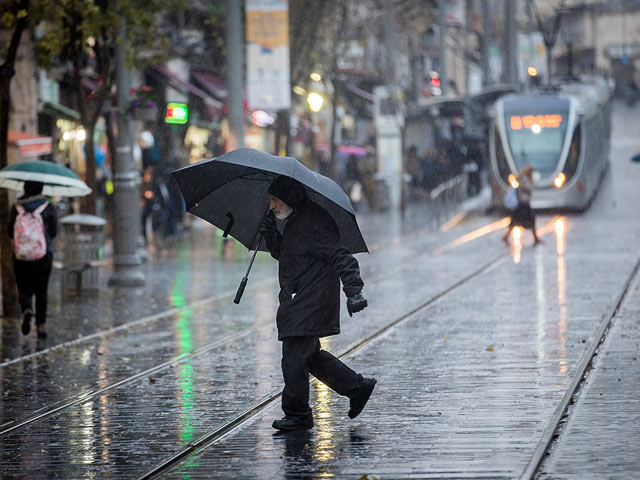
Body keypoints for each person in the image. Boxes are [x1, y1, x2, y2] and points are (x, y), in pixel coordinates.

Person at [259, 176, 376, 432]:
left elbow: (340, 255)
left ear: (288, 198)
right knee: (310, 358)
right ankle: (357, 387)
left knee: (293, 359)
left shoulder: (313, 222)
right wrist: (270, 234)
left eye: (274, 200)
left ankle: (298, 414)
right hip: (300, 299)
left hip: (309, 301)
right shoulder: (296, 220)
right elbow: (289, 253)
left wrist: (354, 291)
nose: (271, 207)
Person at [7, 181, 58, 338]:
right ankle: (41, 326)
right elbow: (54, 231)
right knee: (41, 291)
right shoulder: (47, 206)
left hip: (21, 256)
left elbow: (10, 232)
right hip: (43, 255)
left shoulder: (16, 208)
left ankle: (27, 309)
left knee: (24, 288)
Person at [502, 165, 541, 246]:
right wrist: (531, 181)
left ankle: (535, 238)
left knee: (516, 221)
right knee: (529, 220)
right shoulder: (524, 179)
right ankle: (536, 238)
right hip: (523, 204)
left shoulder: (523, 178)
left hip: (523, 204)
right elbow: (529, 188)